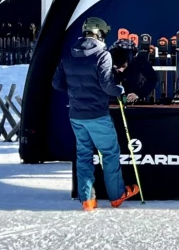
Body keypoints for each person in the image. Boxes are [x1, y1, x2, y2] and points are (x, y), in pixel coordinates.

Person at [51, 16, 139, 211]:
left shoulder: (69, 55)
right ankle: (116, 196)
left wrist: (76, 91)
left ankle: (88, 200)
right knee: (109, 153)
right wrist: (121, 91)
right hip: (97, 114)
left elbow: (56, 83)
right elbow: (107, 86)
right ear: (99, 33)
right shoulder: (102, 55)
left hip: (76, 115)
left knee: (83, 155)